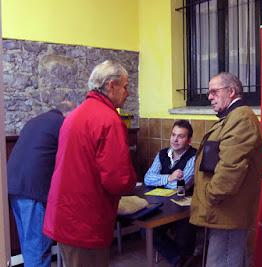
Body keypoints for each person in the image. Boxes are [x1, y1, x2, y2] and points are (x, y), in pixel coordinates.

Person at [43, 60, 137, 267]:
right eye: (126, 86)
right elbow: (117, 179)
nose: (128, 93)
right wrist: (133, 182)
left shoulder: (75, 115)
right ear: (111, 85)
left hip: (64, 215)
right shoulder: (109, 120)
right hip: (86, 220)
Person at [190, 72, 262, 267]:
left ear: (231, 91)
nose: (209, 97)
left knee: (221, 262)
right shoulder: (233, 117)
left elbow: (230, 168)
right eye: (209, 93)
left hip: (227, 210)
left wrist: (210, 196)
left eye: (214, 92)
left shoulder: (240, 118)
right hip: (225, 209)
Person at [7, 101, 76, 267]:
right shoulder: (63, 123)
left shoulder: (36, 120)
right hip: (33, 190)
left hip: (13, 185)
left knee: (29, 245)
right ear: (68, 114)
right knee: (38, 250)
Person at [144, 120, 197, 266]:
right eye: (173, 135)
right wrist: (169, 177)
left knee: (184, 239)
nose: (175, 139)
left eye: (181, 136)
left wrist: (162, 180)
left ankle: (182, 257)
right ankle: (179, 260)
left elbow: (181, 185)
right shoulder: (162, 154)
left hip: (184, 208)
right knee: (147, 230)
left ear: (189, 140)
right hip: (162, 205)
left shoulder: (193, 156)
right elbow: (147, 178)